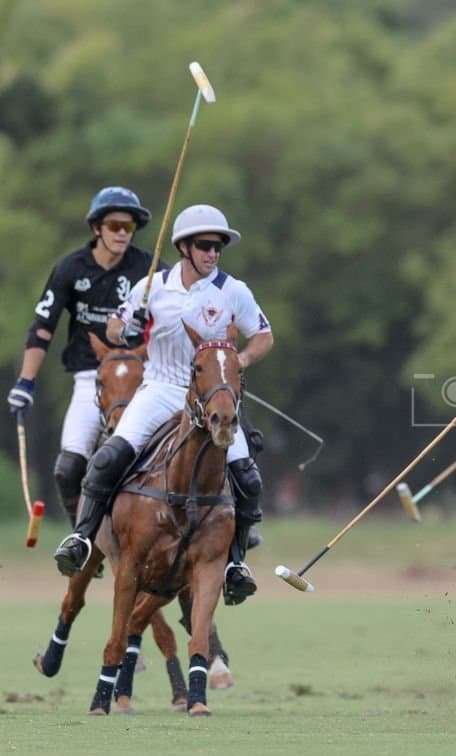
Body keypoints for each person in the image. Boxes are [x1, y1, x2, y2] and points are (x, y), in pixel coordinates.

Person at [52, 204, 275, 603]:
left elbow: (262, 335)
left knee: (247, 475)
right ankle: (82, 539)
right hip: (160, 389)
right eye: (205, 245)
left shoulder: (233, 291)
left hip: (212, 397)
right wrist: (127, 329)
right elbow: (115, 327)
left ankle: (236, 563)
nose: (213, 253)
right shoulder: (152, 287)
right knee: (108, 458)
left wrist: (238, 362)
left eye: (218, 246)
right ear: (184, 247)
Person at [8, 187, 165, 528]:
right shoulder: (70, 269)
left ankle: (230, 520)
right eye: (114, 225)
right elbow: (42, 328)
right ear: (97, 228)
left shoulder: (149, 269)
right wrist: (26, 381)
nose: (123, 232)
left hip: (147, 379)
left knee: (193, 445)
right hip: (90, 377)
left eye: (129, 226)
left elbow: (177, 313)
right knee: (68, 469)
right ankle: (81, 534)